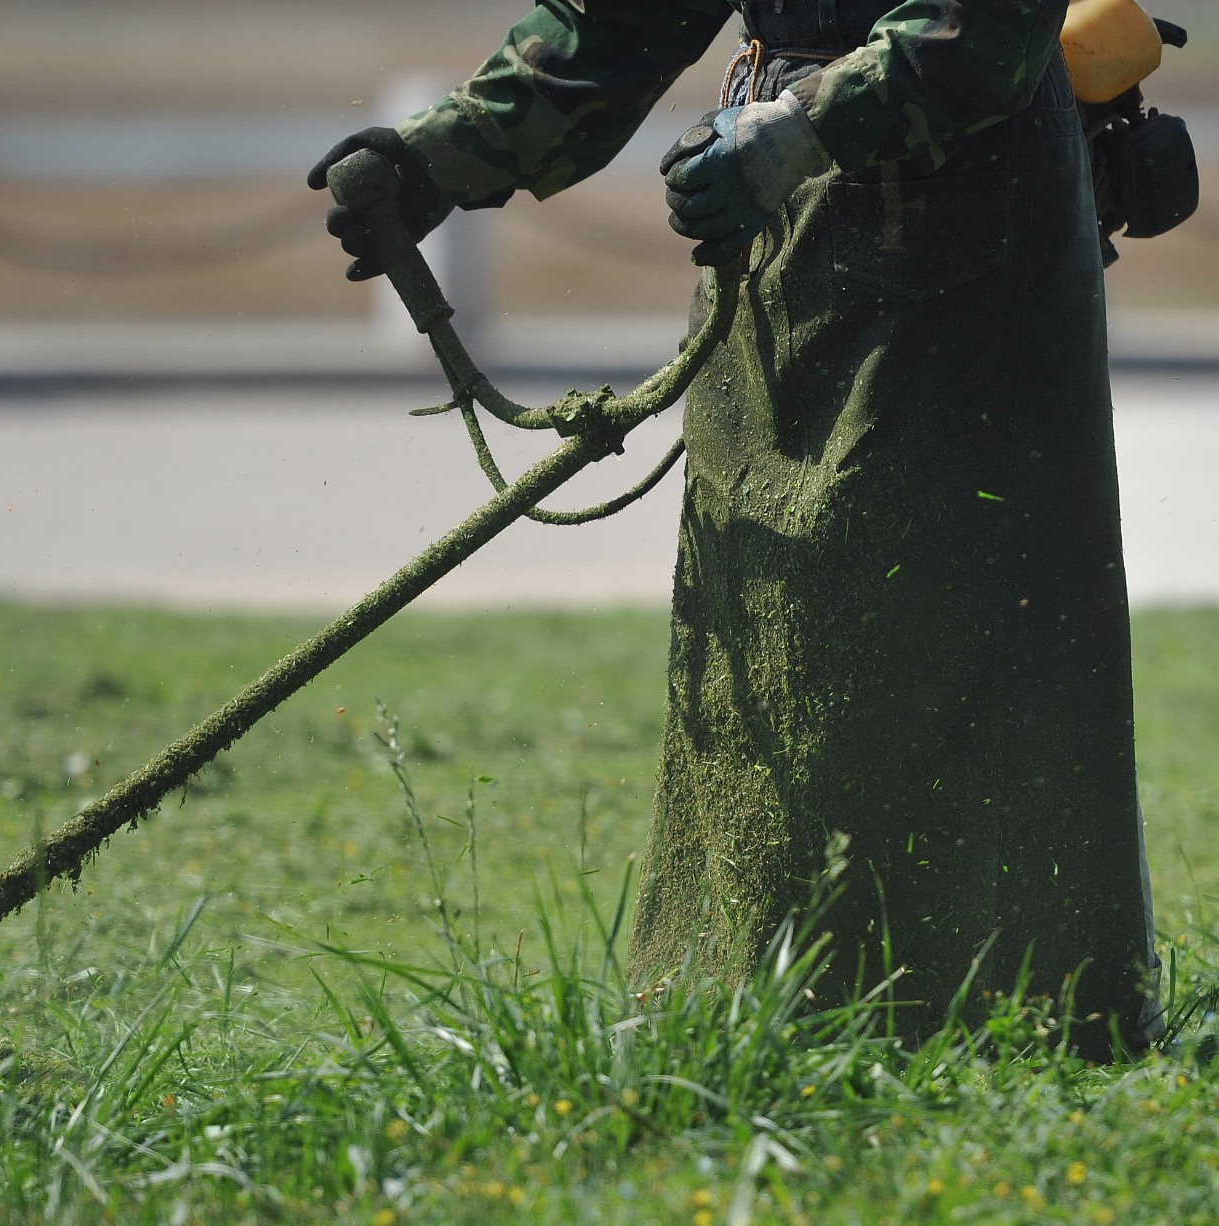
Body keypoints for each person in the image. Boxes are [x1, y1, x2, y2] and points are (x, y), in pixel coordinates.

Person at [309, 0, 1162, 1057]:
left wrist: (798, 130)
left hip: (965, 227)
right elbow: (622, 17)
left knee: (938, 621)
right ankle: (751, 1006)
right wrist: (443, 154)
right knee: (759, 621)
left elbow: (979, 25)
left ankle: (1008, 1015)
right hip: (772, 217)